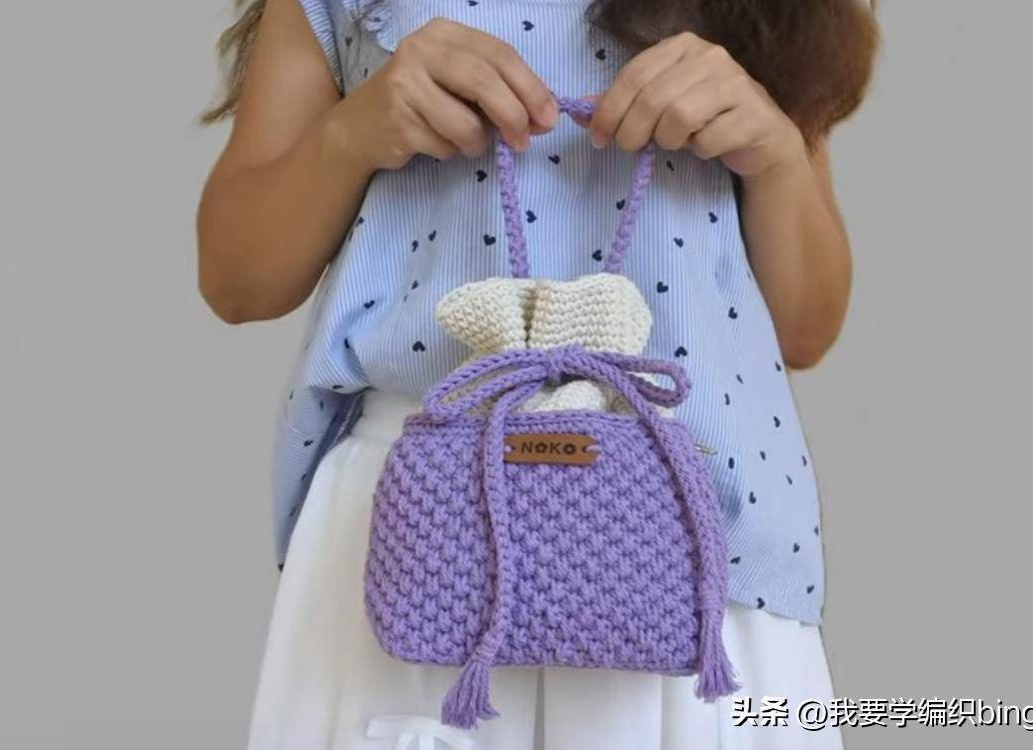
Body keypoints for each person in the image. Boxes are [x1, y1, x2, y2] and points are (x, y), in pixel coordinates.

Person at [197, 1, 878, 747]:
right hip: (426, 531)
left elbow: (805, 329)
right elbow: (238, 281)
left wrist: (777, 154)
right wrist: (351, 134)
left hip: (699, 537)